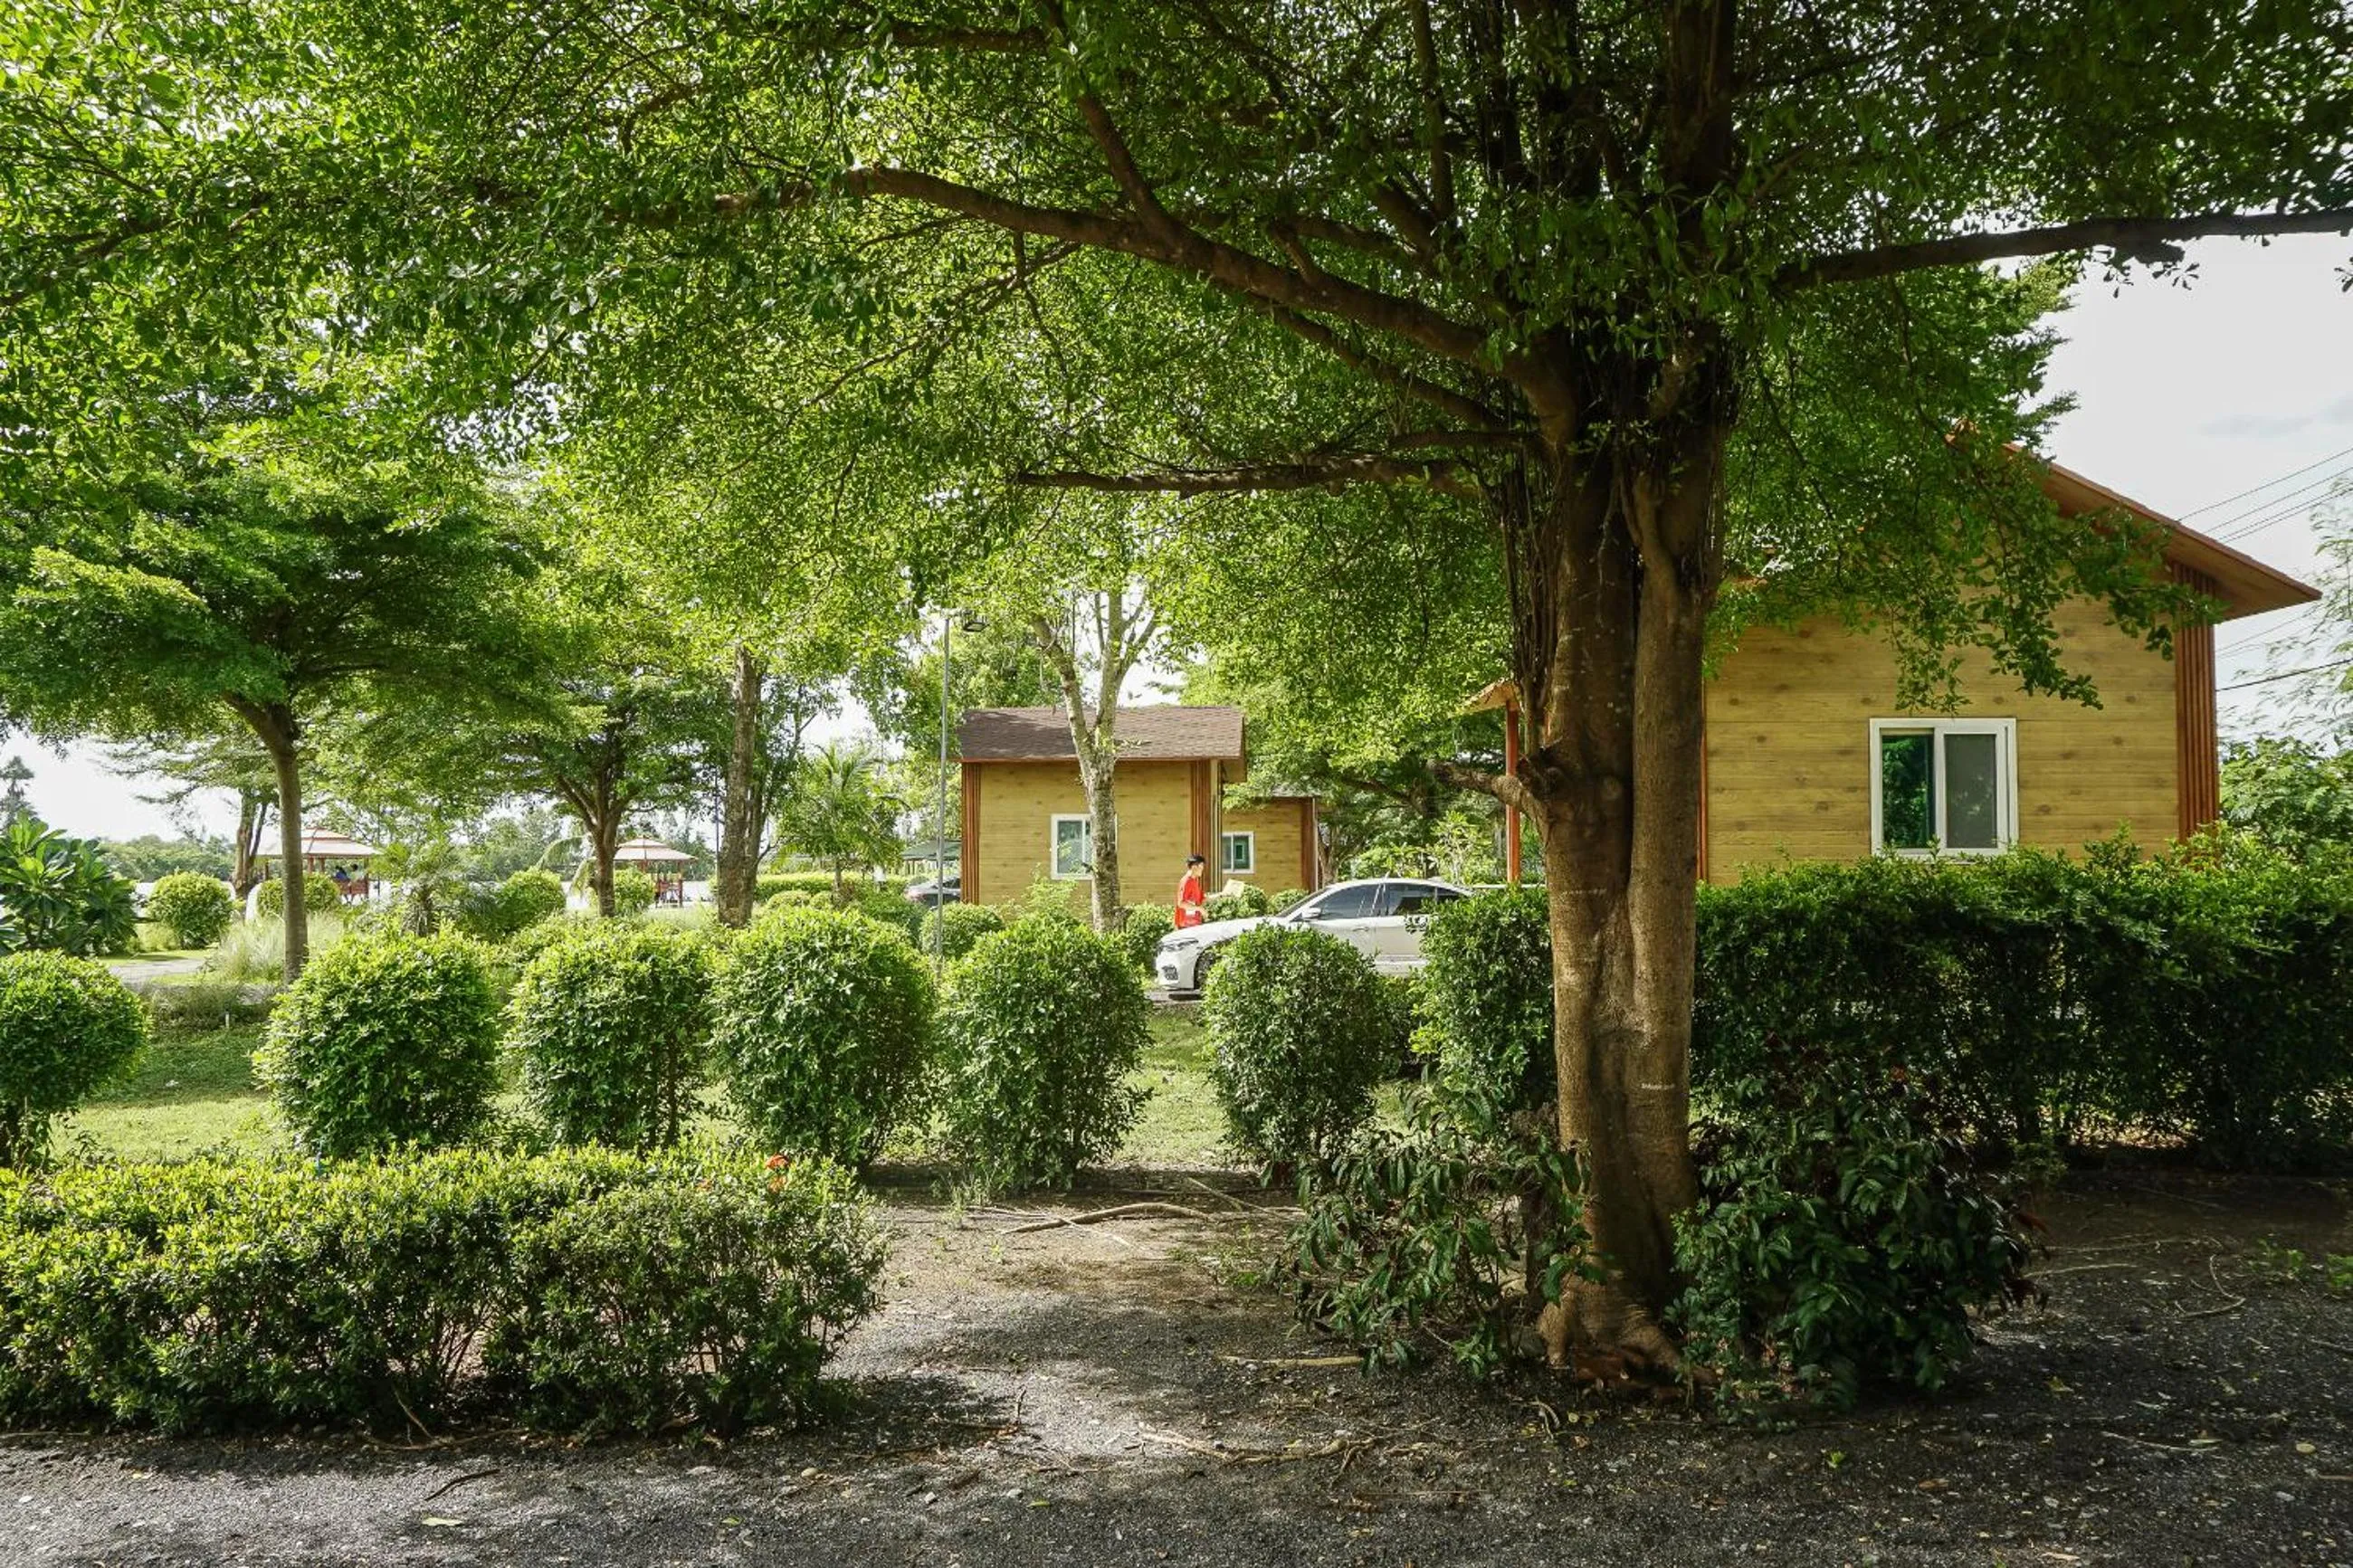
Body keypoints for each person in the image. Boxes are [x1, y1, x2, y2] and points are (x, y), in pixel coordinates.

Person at [1174, 852, 1208, 929]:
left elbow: (1203, 899)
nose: (1202, 869)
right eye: (1201, 866)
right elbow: (1181, 903)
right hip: (1185, 925)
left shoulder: (1194, 882)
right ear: (1194, 867)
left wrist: (1222, 894)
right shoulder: (1186, 881)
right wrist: (1200, 909)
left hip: (1193, 924)